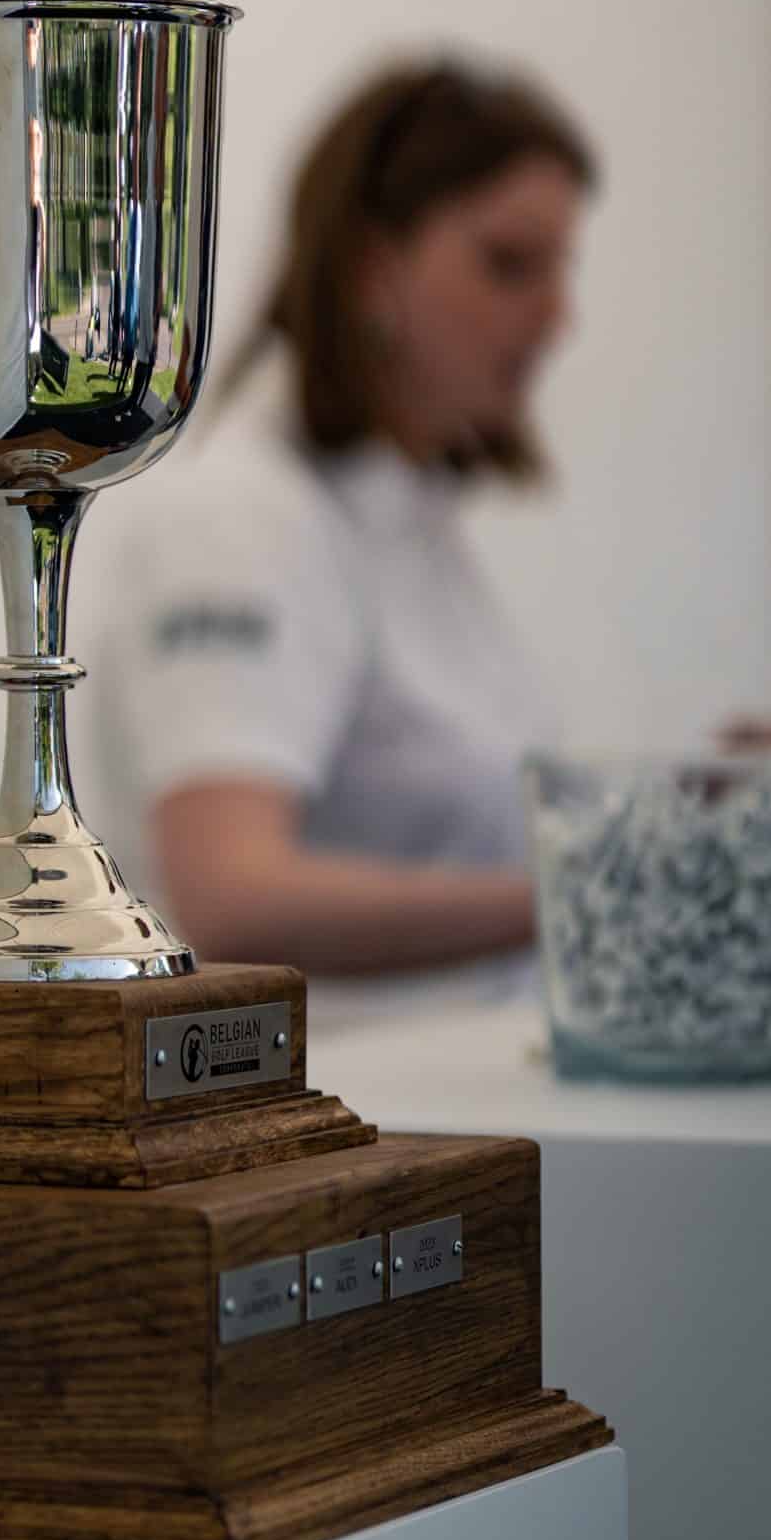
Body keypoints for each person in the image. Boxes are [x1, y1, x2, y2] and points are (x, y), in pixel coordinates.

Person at [89, 55, 597, 976]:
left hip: (456, 1056)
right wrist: (589, 895)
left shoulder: (406, 514)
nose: (557, 317)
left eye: (560, 268)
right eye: (509, 264)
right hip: (334, 1069)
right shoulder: (240, 517)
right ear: (372, 269)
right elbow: (230, 897)